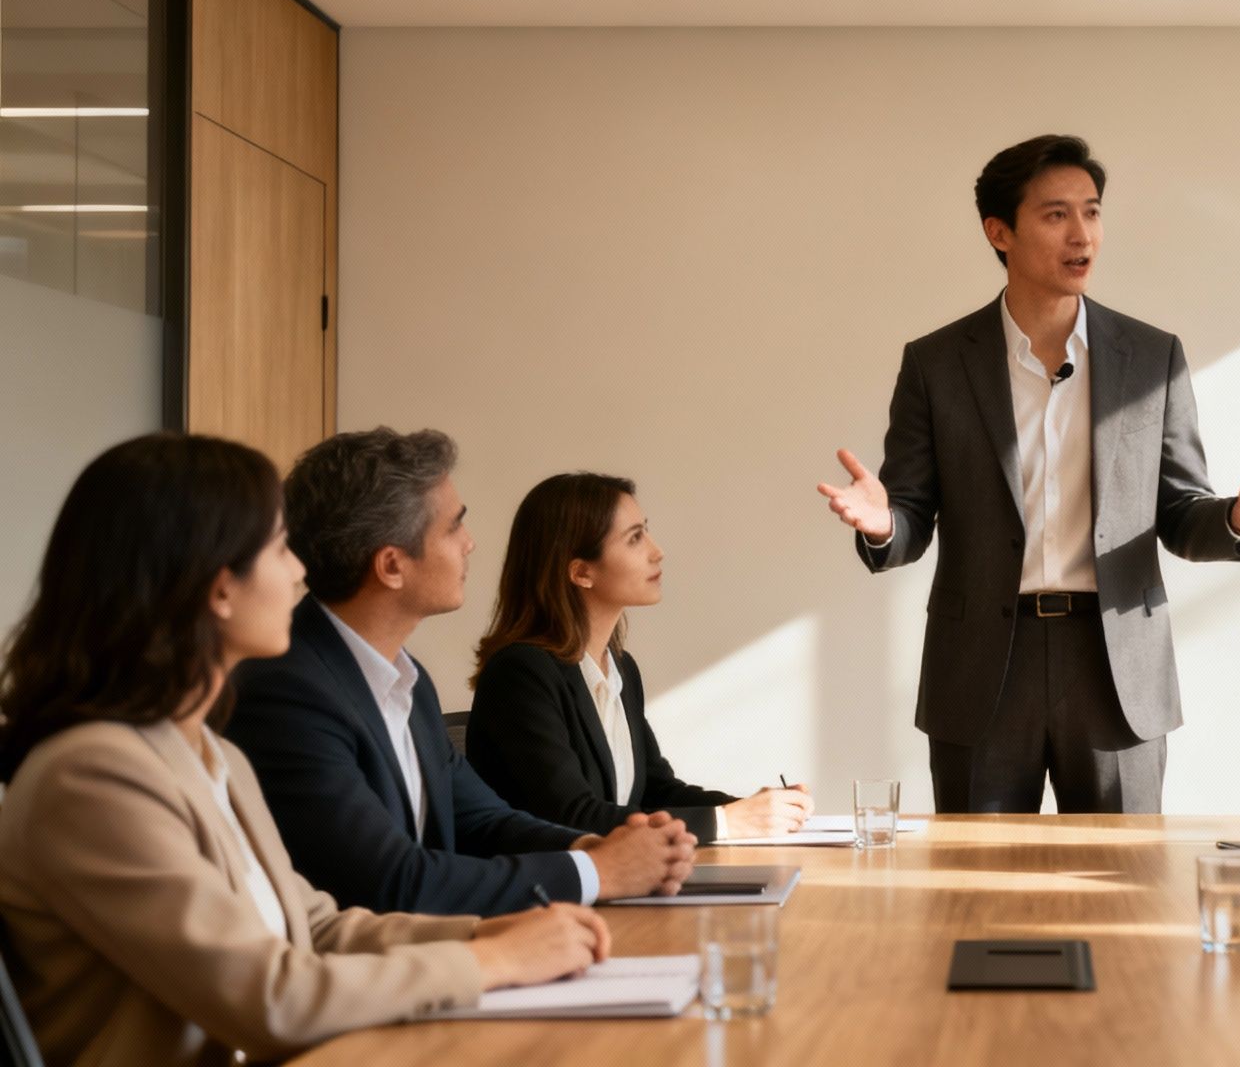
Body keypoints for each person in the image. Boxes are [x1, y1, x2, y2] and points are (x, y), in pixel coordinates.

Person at [0, 435, 611, 1066]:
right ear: (218, 590)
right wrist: (492, 960)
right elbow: (271, 998)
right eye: (276, 548)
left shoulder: (210, 753)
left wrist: (487, 931)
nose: (300, 570)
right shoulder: (91, 775)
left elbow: (315, 926)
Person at [816, 134, 1240, 813]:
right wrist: (885, 525)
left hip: (1115, 664)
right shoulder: (937, 364)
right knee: (977, 890)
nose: (1081, 233)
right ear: (1000, 232)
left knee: (1125, 891)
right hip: (983, 668)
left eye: (1091, 211)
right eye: (1056, 215)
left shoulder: (1151, 356)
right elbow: (909, 517)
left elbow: (1179, 514)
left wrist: (1235, 515)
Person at [226, 429, 694, 916]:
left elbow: (483, 821)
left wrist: (594, 849)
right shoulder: (288, 692)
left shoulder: (408, 680)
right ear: (391, 565)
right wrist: (600, 871)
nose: (470, 544)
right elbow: (392, 883)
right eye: (454, 528)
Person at [466, 472, 814, 840]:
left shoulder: (620, 668)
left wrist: (747, 809)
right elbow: (571, 816)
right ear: (581, 572)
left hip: (618, 886)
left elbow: (655, 790)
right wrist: (727, 822)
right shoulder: (520, 673)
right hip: (547, 893)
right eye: (634, 538)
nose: (656, 550)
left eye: (645, 531)